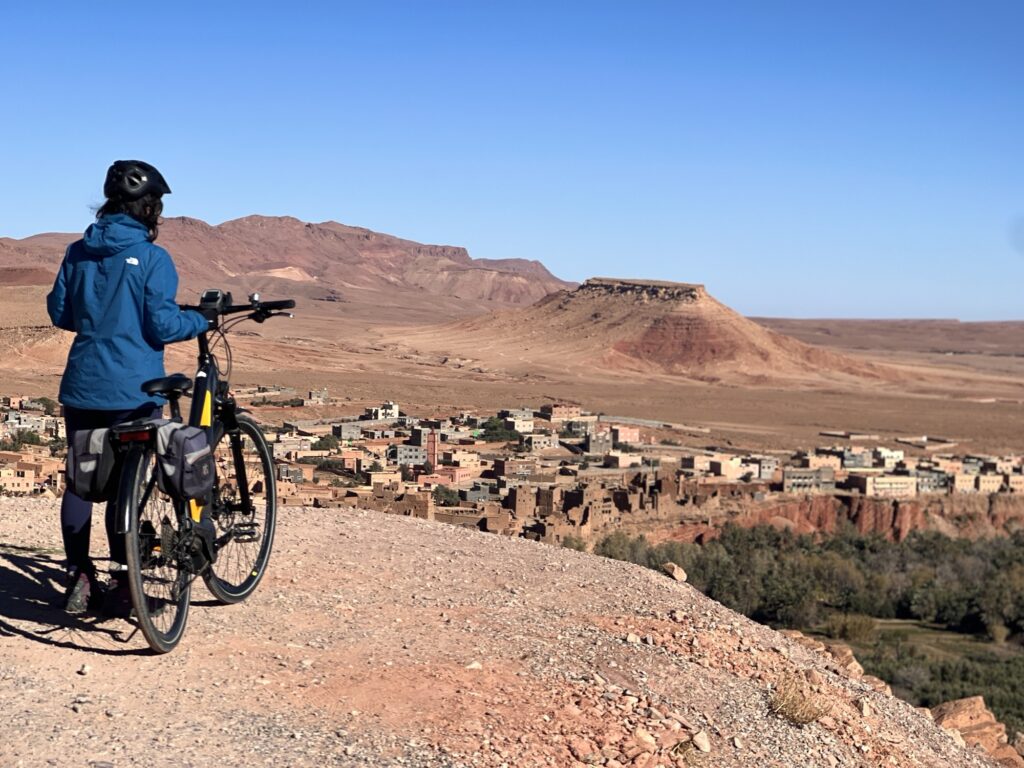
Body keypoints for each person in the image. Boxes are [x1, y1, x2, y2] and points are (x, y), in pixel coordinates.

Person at [46, 160, 208, 615]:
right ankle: (124, 585)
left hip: (82, 384)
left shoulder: (78, 251)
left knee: (81, 483)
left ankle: (78, 578)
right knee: (127, 490)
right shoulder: (154, 258)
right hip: (134, 388)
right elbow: (162, 323)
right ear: (149, 207)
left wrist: (99, 318)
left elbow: (61, 313)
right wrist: (199, 319)